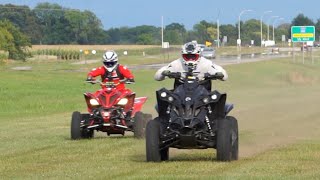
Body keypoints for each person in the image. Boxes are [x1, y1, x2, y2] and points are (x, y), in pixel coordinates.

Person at [154, 41, 228, 91]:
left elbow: (223, 74)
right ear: (183, 56)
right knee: (163, 99)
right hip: (180, 91)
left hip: (203, 91)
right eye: (187, 56)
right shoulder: (177, 63)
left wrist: (219, 74)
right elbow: (157, 76)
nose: (190, 59)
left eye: (193, 56)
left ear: (198, 55)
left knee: (217, 100)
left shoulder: (206, 63)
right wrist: (163, 73)